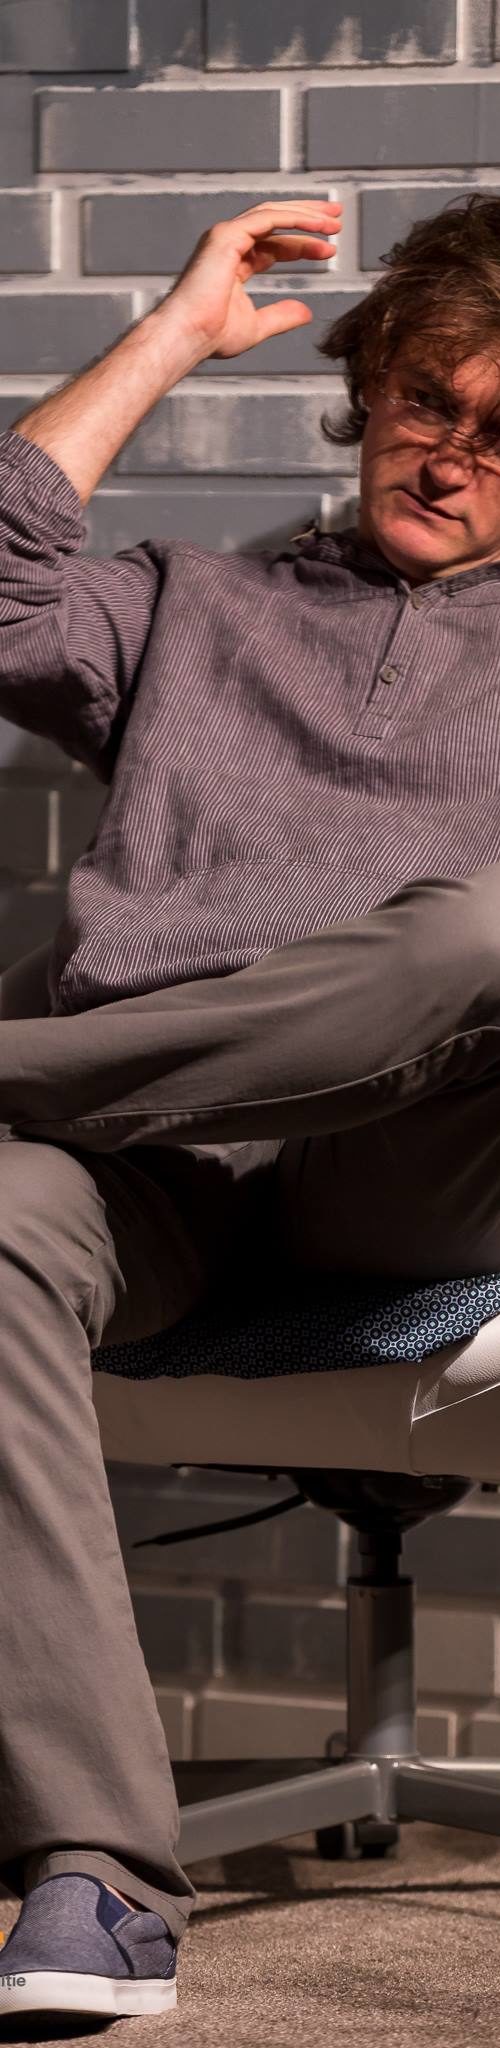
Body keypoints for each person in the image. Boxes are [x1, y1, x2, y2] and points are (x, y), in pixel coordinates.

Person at [1, 191, 500, 2018]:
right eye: (427, 400)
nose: (449, 458)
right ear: (370, 387)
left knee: (488, 933)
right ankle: (96, 1875)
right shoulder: (195, 608)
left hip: (419, 1167)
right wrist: (175, 332)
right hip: (159, 1159)